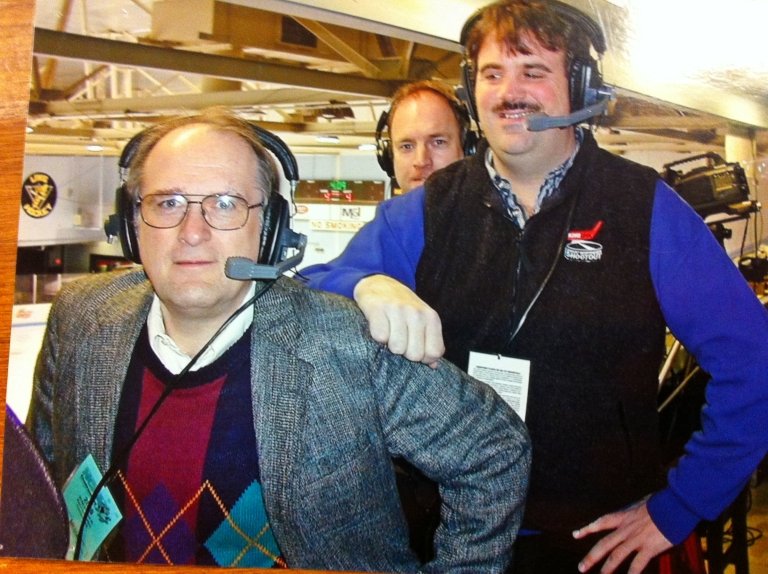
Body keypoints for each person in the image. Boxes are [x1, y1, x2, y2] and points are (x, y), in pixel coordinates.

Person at [299, 1, 768, 573]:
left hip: (594, 543)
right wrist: (367, 284)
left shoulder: (644, 208)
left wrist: (681, 505)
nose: (509, 92)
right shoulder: (427, 210)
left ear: (580, 86)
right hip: (452, 538)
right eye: (493, 74)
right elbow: (314, 294)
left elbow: (756, 360)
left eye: (534, 72)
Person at [26, 109, 531, 572]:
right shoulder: (80, 318)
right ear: (132, 224)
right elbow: (39, 480)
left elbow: (494, 450)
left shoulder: (348, 344)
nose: (192, 230)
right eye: (168, 202)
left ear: (271, 231)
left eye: (225, 204)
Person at [376, 80, 473, 193]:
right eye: (407, 146)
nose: (421, 161)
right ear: (389, 157)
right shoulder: (389, 211)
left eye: (438, 142)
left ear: (467, 151)